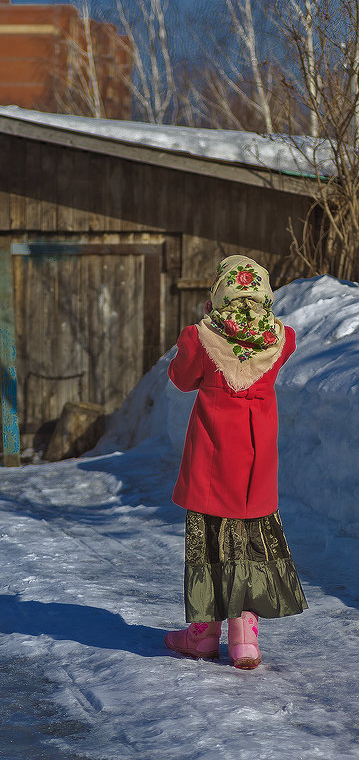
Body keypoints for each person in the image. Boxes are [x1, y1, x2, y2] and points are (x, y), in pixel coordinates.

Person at [165, 255, 307, 670]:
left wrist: (205, 324)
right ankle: (245, 635)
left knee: (208, 536)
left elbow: (181, 378)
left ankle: (204, 634)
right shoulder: (282, 338)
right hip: (256, 461)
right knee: (250, 538)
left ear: (220, 292)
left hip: (211, 458)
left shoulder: (199, 336)